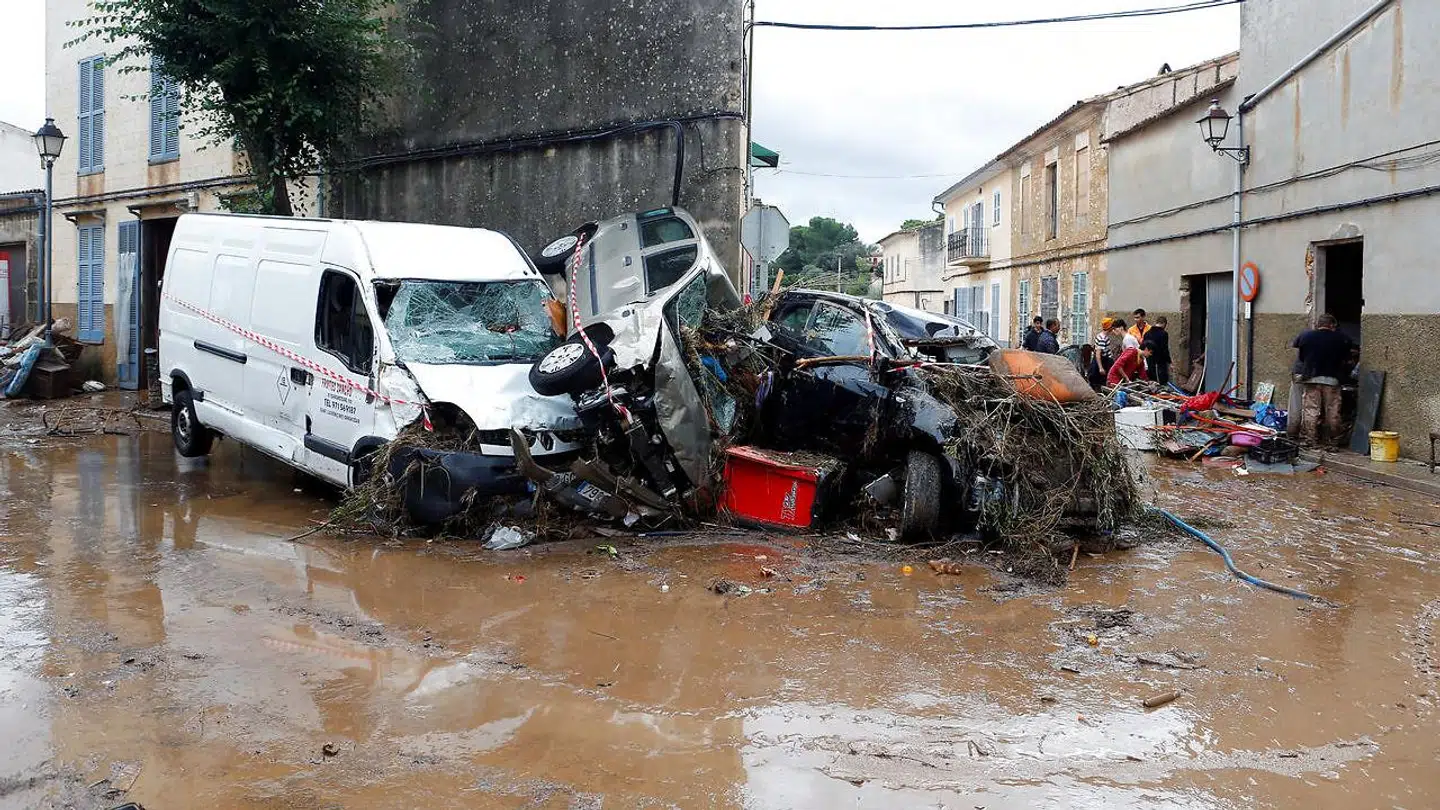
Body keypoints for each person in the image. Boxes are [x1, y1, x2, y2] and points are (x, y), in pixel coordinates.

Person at [1292, 313, 1356, 446]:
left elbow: (1301, 356)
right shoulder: (1341, 338)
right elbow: (1347, 357)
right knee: (1333, 411)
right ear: (1332, 325)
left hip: (1311, 378)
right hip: (1332, 380)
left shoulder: (1306, 336)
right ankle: (1333, 442)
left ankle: (1311, 440)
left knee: (1311, 410)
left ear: (1318, 324)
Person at [1088, 317, 1116, 389]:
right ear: (1109, 327)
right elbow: (1098, 354)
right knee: (1099, 382)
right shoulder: (1102, 339)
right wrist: (1101, 368)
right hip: (1101, 362)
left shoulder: (1101, 335)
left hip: (1103, 360)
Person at [1146, 316, 1172, 387]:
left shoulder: (1147, 333)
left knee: (1152, 382)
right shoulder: (1164, 334)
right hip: (1160, 363)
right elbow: (1165, 349)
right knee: (1161, 383)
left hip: (1149, 362)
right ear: (1164, 324)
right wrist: (1169, 362)